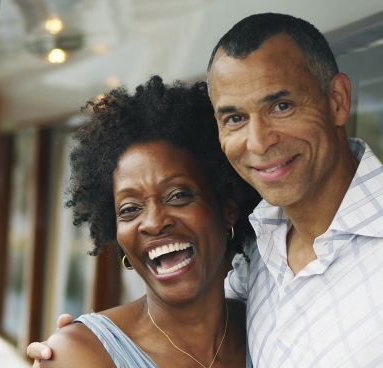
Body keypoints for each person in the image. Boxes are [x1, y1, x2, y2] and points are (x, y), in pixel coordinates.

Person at [30, 13, 383, 367]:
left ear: (336, 100)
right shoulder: (256, 254)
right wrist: (81, 346)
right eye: (235, 118)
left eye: (281, 106)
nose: (259, 141)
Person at [37, 76, 259, 367]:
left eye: (178, 195)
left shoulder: (265, 327)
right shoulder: (80, 355)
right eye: (129, 209)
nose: (154, 223)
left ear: (228, 207)